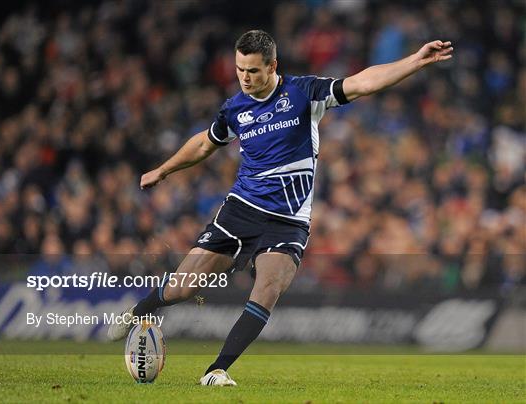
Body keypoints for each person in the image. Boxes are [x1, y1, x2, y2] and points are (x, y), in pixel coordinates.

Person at [108, 30, 453, 386]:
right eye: (240, 69)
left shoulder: (304, 93)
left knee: (268, 288)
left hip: (289, 220)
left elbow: (362, 83)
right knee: (182, 288)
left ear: (273, 66)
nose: (244, 77)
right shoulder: (235, 108)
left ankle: (216, 370)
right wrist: (164, 170)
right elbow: (204, 144)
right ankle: (138, 312)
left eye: (253, 71)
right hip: (241, 209)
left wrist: (414, 61)